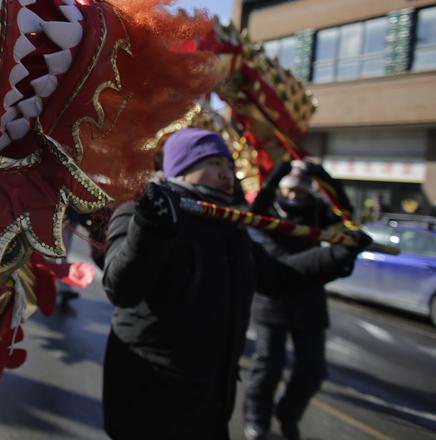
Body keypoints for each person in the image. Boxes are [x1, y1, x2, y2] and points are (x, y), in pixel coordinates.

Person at [101, 129, 369, 439]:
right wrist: (151, 227)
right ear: (182, 167)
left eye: (229, 166)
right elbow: (121, 288)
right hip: (151, 398)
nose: (227, 174)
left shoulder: (229, 224)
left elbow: (276, 277)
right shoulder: (143, 209)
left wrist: (338, 254)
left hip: (211, 397)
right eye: (214, 163)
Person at [243, 160, 352, 440]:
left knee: (313, 371)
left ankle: (288, 414)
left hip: (309, 300)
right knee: (268, 367)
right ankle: (257, 417)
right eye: (289, 190)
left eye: (300, 191)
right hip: (273, 299)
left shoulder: (317, 211)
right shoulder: (266, 210)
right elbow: (255, 210)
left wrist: (320, 175)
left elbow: (346, 217)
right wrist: (280, 170)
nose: (294, 196)